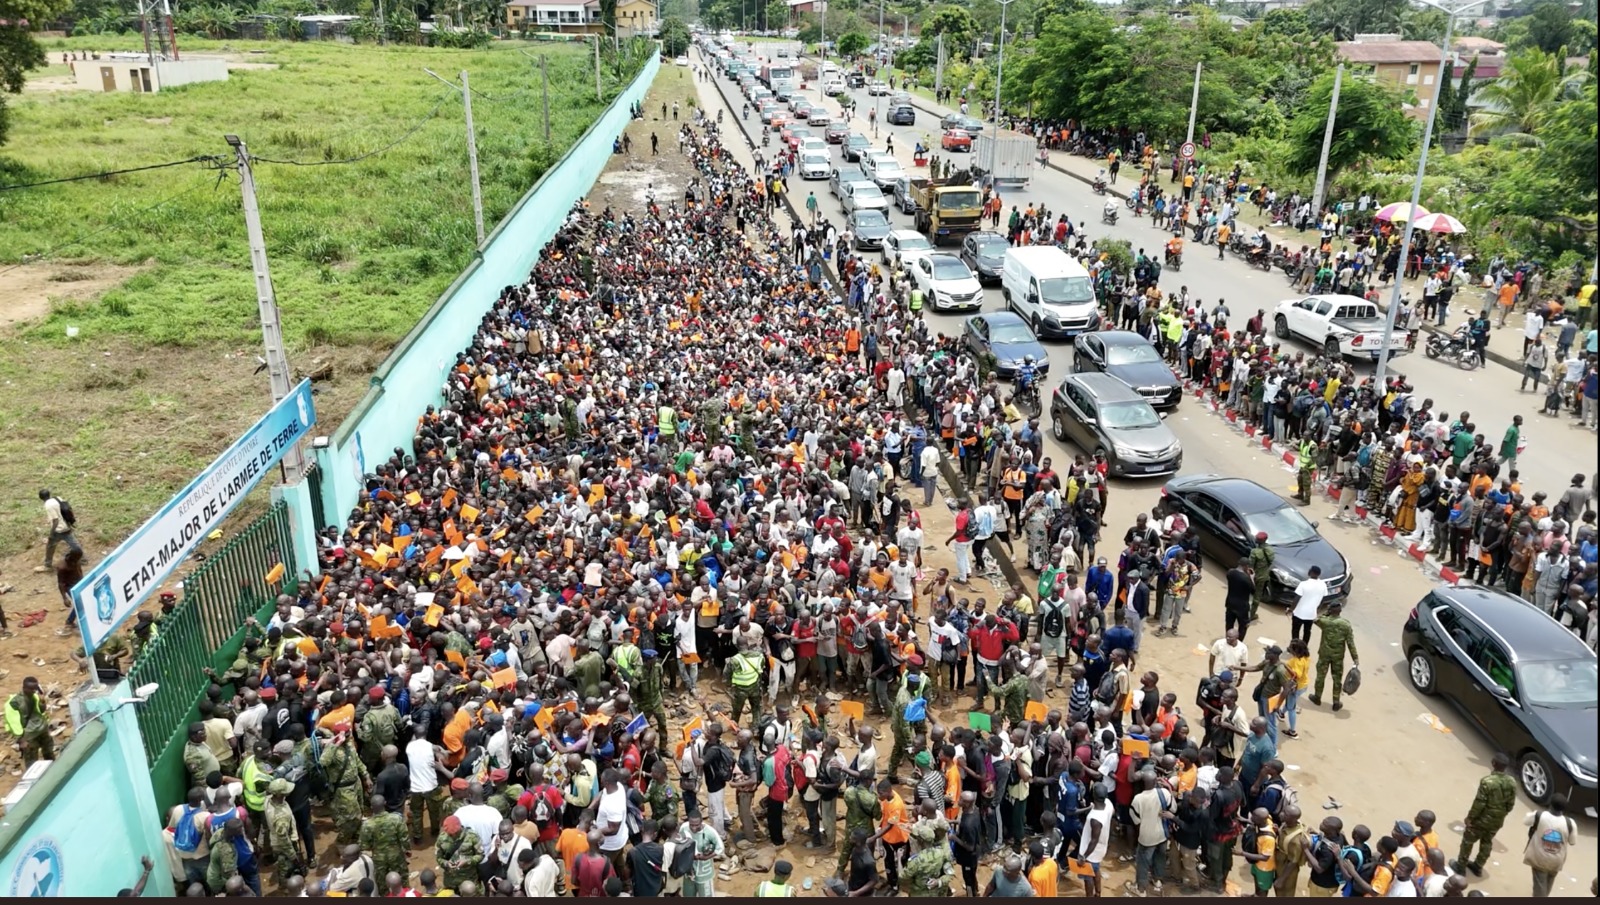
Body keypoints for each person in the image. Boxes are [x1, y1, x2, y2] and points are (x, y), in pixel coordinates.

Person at [1452, 752, 1517, 878]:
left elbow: (1479, 803)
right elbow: (1511, 804)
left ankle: (1460, 867)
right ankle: (1478, 866)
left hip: (1482, 819)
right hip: (1497, 820)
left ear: (1493, 764)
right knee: (1487, 842)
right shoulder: (1512, 781)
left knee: (1468, 841)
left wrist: (1470, 818)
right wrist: (1500, 815)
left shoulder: (1487, 782)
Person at [1522, 794, 1576, 897]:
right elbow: (1572, 842)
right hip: (1557, 860)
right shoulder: (1570, 822)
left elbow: (1525, 821)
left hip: (1540, 858)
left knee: (1539, 885)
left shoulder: (1539, 815)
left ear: (1550, 804)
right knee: (1549, 882)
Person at [1308, 601, 1357, 712]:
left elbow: (1316, 619)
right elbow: (1350, 643)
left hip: (1324, 654)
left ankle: (1317, 697)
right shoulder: (1346, 624)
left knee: (1320, 676)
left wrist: (1326, 612)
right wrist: (1355, 658)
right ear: (1340, 611)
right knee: (1337, 679)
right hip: (1338, 657)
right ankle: (1336, 702)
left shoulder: (1325, 622)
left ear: (1331, 610)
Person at [5, 676, 53, 766]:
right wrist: (21, 739)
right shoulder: (15, 702)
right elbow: (13, 721)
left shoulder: (35, 696)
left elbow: (41, 711)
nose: (34, 691)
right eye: (31, 689)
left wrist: (42, 702)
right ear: (24, 688)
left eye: (35, 689)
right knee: (32, 761)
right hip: (30, 735)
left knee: (49, 752)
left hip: (41, 729)